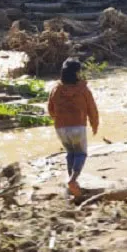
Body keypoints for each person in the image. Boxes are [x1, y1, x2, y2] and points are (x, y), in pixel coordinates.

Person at [47, 58, 99, 197]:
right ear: (77, 73)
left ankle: (72, 183)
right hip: (77, 126)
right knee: (81, 153)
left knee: (70, 153)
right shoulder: (83, 90)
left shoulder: (56, 89)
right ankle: (73, 180)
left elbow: (51, 109)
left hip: (60, 128)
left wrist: (58, 120)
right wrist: (94, 124)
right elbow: (92, 109)